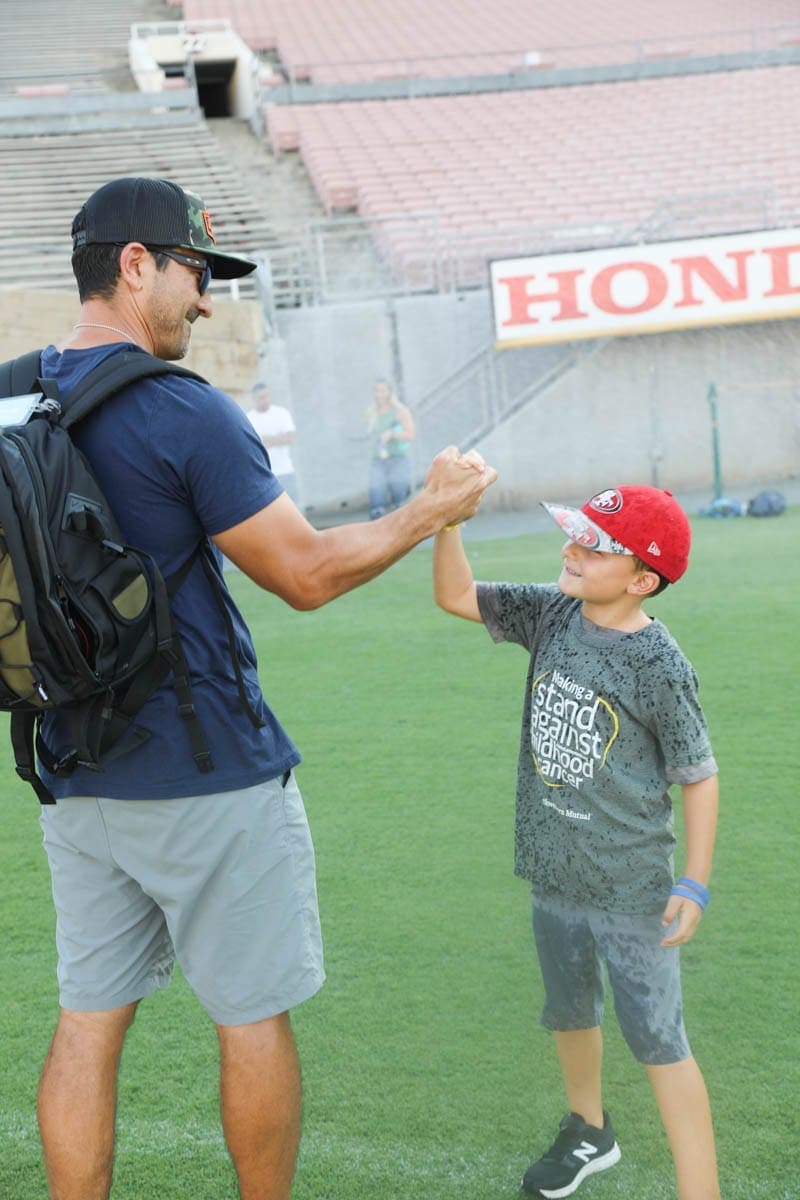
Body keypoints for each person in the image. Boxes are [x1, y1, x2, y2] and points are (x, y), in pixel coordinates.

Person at [30, 176, 497, 1200]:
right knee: (249, 1018)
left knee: (87, 1021)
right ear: (135, 264)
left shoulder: (12, 398)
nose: (206, 300)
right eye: (194, 272)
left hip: (70, 772)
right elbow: (307, 574)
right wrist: (430, 509)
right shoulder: (180, 409)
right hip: (203, 773)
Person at [433, 483, 720, 1200]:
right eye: (576, 535)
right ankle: (590, 1129)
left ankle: (702, 1189)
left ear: (643, 578)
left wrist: (693, 881)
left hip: (631, 892)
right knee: (569, 1012)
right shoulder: (554, 610)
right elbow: (455, 594)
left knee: (659, 1041)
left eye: (595, 546)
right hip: (553, 874)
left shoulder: (659, 665)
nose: (572, 550)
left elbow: (699, 775)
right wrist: (446, 523)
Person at [366, 378, 415, 518]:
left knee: (399, 502)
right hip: (377, 461)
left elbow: (410, 435)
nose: (379, 394)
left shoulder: (400, 411)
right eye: (376, 390)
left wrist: (392, 433)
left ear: (389, 392)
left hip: (397, 460)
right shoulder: (371, 413)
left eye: (382, 390)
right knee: (376, 501)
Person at [246, 381, 299, 504]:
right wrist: (277, 438)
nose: (266, 400)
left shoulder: (281, 413)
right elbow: (251, 446)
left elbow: (289, 438)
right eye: (262, 397)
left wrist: (264, 439)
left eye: (267, 396)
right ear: (254, 399)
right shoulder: (248, 419)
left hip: (286, 472)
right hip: (264, 477)